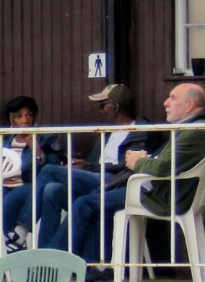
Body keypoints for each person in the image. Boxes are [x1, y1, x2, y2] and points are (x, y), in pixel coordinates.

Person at [46, 83, 205, 282]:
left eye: (172, 98)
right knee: (86, 199)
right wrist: (145, 160)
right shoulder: (190, 128)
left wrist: (138, 161)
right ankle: (70, 265)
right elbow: (164, 163)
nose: (165, 103)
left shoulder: (195, 131)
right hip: (156, 190)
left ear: (189, 104)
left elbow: (163, 167)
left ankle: (52, 266)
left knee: (85, 204)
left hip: (159, 196)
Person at [9, 83, 160, 253]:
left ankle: (21, 230)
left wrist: (96, 168)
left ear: (115, 106)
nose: (100, 110)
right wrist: (84, 166)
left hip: (115, 183)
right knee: (52, 189)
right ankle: (45, 258)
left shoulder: (140, 131)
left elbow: (131, 166)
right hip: (96, 178)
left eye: (103, 105)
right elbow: (97, 164)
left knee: (49, 170)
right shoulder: (108, 132)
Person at [0, 95, 68, 256]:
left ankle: (14, 241)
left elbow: (49, 172)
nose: (24, 120)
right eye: (19, 116)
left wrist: (36, 150)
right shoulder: (3, 140)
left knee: (7, 203)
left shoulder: (47, 138)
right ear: (11, 120)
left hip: (28, 186)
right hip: (1, 185)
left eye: (29, 115)